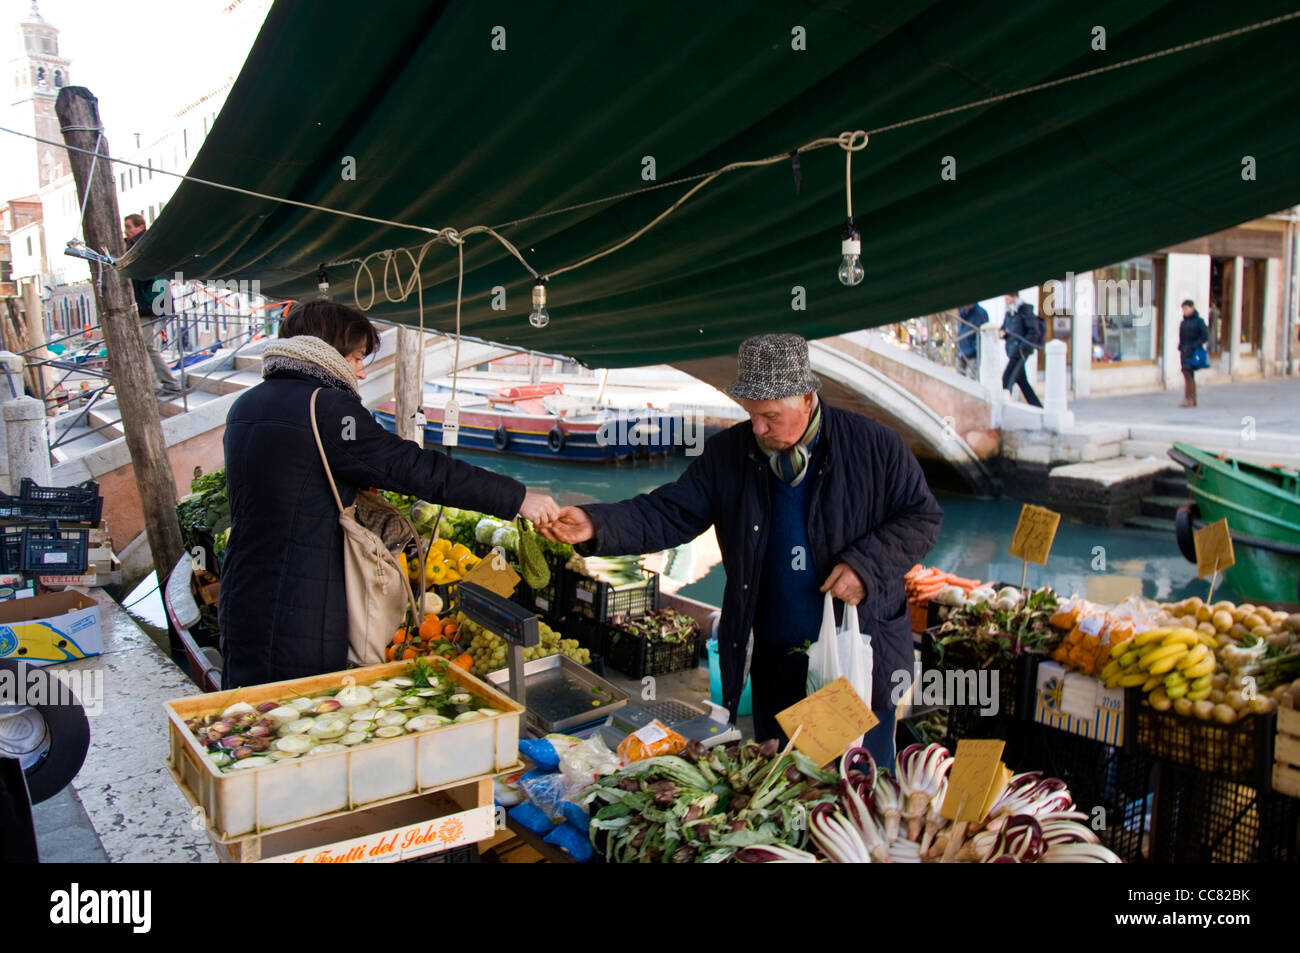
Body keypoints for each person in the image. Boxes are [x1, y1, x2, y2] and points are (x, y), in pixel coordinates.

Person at [540, 333, 943, 768]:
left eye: (770, 416)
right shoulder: (728, 454)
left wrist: (865, 566)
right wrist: (596, 523)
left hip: (856, 659)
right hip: (776, 663)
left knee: (858, 783)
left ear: (807, 399)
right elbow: (668, 512)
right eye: (751, 415)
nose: (758, 429)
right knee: (783, 785)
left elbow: (921, 517)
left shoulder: (874, 446)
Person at [218, 299, 559, 688]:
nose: (361, 372)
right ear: (330, 349)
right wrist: (516, 498)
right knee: (302, 715)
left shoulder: (246, 404)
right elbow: (416, 469)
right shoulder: (327, 408)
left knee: (246, 717)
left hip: (242, 594)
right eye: (357, 357)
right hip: (301, 606)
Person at [123, 213, 182, 397]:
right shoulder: (136, 246)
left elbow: (152, 279)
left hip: (148, 305)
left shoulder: (142, 248)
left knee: (146, 346)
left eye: (129, 227)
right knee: (145, 346)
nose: (126, 231)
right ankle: (158, 384)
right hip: (147, 304)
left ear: (141, 227)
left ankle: (166, 384)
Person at [999, 293, 1043, 407]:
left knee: (1007, 378)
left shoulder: (1025, 310)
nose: (1005, 301)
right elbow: (1004, 328)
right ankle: (1038, 407)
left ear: (1014, 297)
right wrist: (1003, 333)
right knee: (1022, 382)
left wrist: (1022, 347)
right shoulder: (1009, 312)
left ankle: (1005, 406)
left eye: (1007, 298)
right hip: (1011, 350)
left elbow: (1033, 331)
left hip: (1020, 352)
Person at [1177, 299, 1209, 408]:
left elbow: (1204, 336)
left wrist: (1195, 344)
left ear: (1192, 308)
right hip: (1184, 351)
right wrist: (1180, 347)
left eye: (1186, 308)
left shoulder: (1199, 321)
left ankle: (1189, 398)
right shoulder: (1183, 322)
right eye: (1183, 309)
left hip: (1193, 351)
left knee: (1188, 374)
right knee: (1187, 374)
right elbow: (1181, 337)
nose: (1184, 311)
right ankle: (1191, 398)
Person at [956, 303, 988, 376]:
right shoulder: (962, 311)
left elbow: (984, 332)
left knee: (971, 379)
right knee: (958, 379)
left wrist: (975, 347)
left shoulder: (980, 313)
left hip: (973, 353)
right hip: (961, 350)